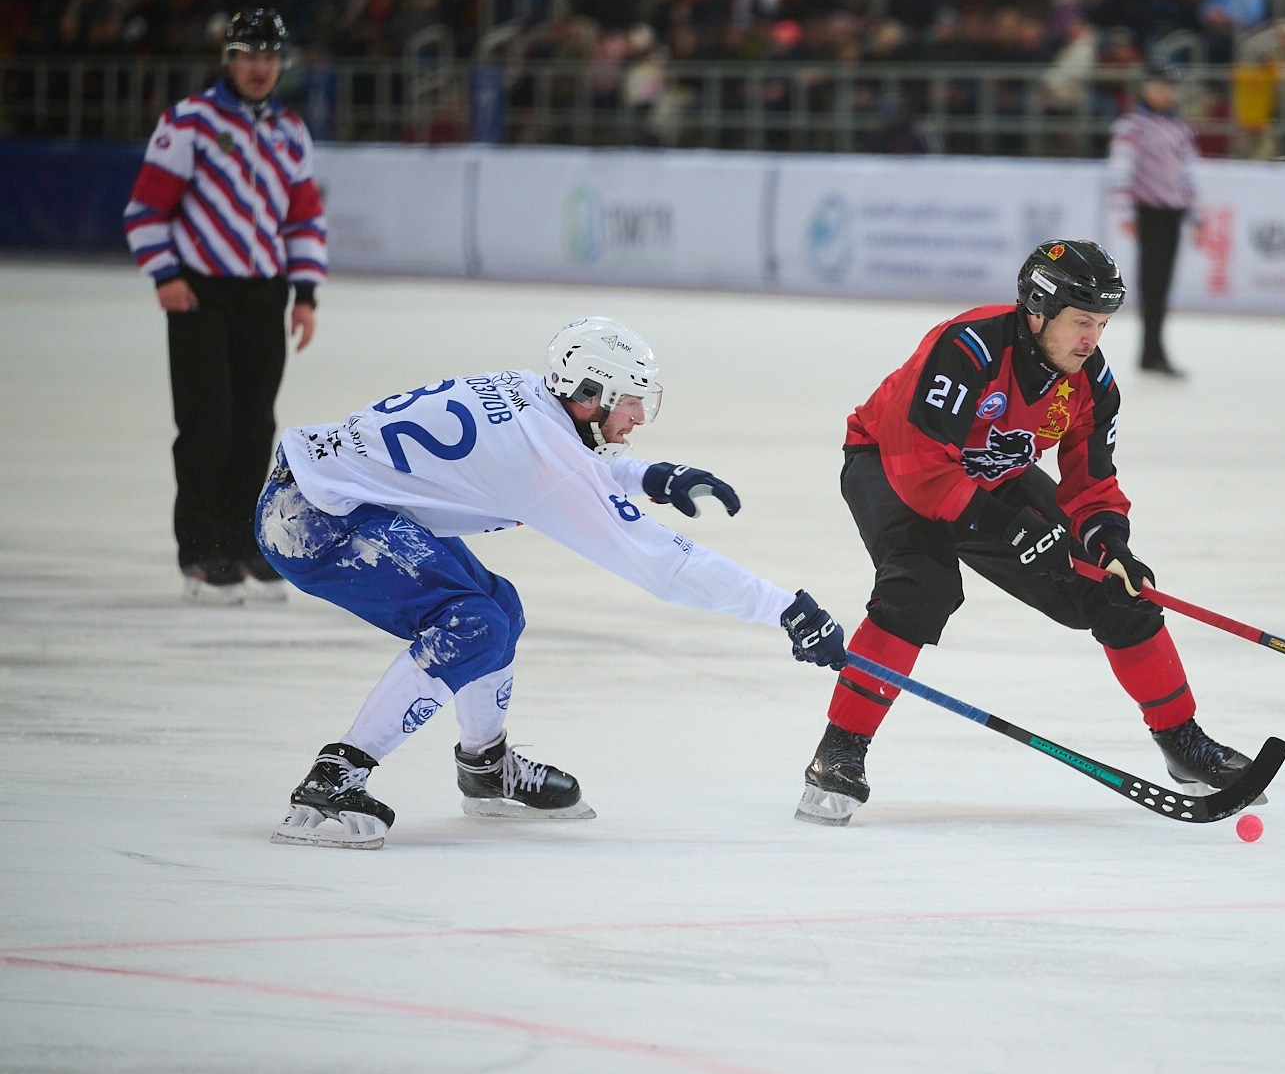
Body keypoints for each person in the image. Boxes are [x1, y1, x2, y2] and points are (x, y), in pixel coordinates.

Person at [254, 316, 848, 849]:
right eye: (631, 402)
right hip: (312, 520)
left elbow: (563, 461)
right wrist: (784, 609)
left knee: (499, 607)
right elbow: (662, 563)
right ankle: (334, 777)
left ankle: (485, 766)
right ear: (590, 396)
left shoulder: (526, 393)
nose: (640, 417)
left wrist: (651, 476)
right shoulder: (544, 455)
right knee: (472, 625)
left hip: (324, 494)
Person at [797, 240, 1260, 827]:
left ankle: (1183, 741)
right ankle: (839, 751)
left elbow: (1092, 485)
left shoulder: (1091, 382)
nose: (1092, 339)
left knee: (1118, 590)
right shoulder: (967, 348)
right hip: (889, 464)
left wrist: (1109, 544)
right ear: (1038, 312)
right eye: (1081, 321)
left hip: (993, 476)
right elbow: (921, 468)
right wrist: (1009, 527)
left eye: (1102, 324)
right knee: (919, 587)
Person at [124, 8, 324, 604]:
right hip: (200, 294)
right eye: (249, 56)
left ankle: (241, 543)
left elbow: (304, 219)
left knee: (255, 424)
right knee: (206, 423)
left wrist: (305, 295)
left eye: (270, 57)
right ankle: (200, 551)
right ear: (229, 60)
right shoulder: (189, 122)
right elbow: (145, 210)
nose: (260, 68)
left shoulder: (290, 131)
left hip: (265, 294)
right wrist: (165, 275)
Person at [1107, 65, 1199, 376]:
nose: (1163, 93)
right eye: (1158, 86)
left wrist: (1196, 214)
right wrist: (1124, 211)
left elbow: (1187, 174)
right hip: (1150, 212)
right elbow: (1121, 171)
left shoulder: (1178, 128)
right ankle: (1150, 350)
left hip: (1173, 213)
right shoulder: (1132, 127)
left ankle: (1154, 349)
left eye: (1168, 87)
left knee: (1162, 284)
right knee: (1152, 284)